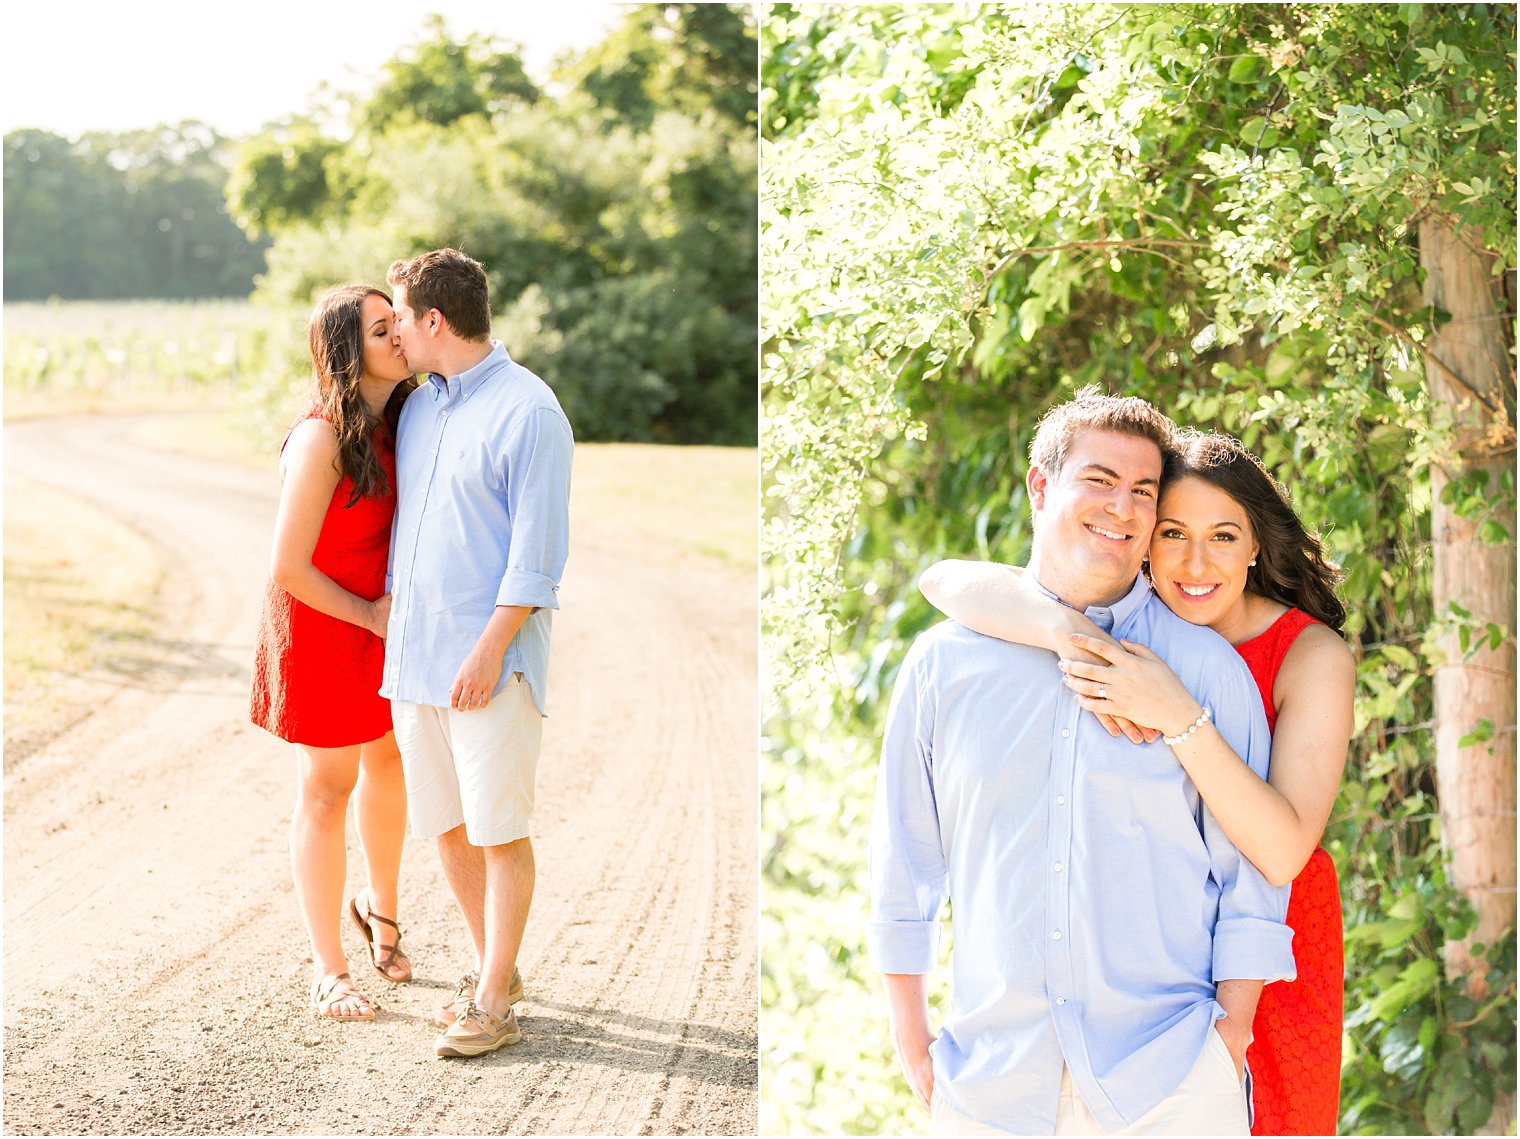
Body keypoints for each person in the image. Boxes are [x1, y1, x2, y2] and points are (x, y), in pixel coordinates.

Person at [869, 389, 1296, 1135]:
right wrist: (911, 1035)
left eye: (1142, 491)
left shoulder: (1205, 670)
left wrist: (1226, 1044)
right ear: (1041, 486)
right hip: (991, 1088)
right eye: (1098, 480)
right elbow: (904, 864)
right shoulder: (942, 665)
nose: (1122, 508)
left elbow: (1250, 882)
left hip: (1169, 1082)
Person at [380, 247, 573, 1058]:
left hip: (488, 661)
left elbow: (537, 554)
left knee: (499, 827)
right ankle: (492, 966)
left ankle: (492, 999)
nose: (392, 333)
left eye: (398, 319)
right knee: (446, 824)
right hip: (415, 658)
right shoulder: (421, 405)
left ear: (434, 320)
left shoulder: (531, 410)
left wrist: (491, 648)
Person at [250, 284, 419, 1021]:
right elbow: (287, 565)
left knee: (391, 762)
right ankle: (329, 969)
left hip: (378, 622)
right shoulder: (321, 436)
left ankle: (382, 912)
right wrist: (367, 617)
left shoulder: (402, 420)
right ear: (352, 354)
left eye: (399, 323)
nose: (400, 336)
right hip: (324, 622)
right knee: (327, 788)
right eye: (383, 329)